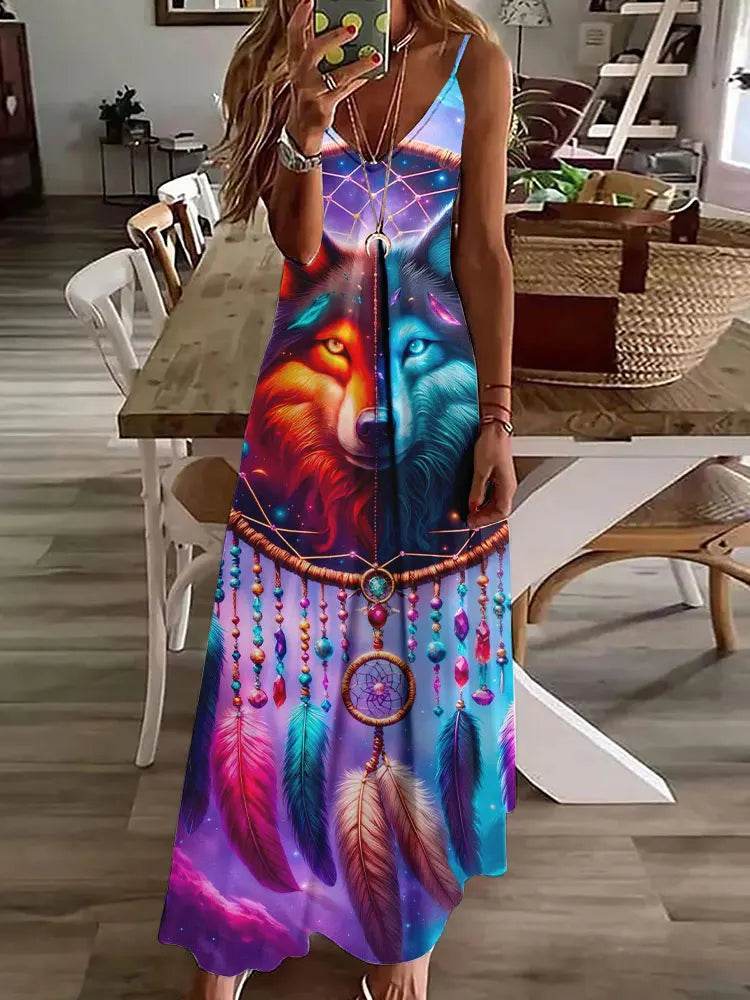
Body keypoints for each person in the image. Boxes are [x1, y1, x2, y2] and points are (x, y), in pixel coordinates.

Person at [160, 1, 517, 997]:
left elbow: (483, 250)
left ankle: (404, 923)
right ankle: (236, 914)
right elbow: (302, 243)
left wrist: (497, 415)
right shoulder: (285, 54)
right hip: (309, 392)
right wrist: (304, 124)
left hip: (437, 395)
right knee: (271, 661)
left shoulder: (474, 62)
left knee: (428, 657)